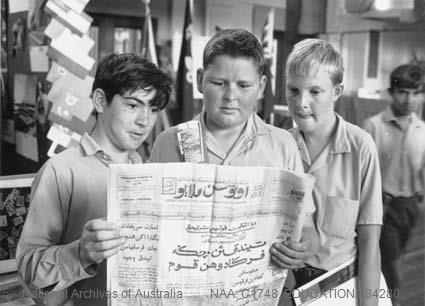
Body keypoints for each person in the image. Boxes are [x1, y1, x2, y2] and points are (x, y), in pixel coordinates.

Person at [149, 28, 318, 300]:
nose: (230, 96)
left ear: (261, 86)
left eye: (243, 85)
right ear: (201, 80)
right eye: (219, 83)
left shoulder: (282, 145)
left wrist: (305, 246)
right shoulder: (169, 142)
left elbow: (306, 227)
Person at [16, 53, 173, 306]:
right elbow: (28, 274)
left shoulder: (148, 170)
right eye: (133, 105)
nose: (145, 121)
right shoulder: (61, 171)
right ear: (100, 101)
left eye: (153, 109)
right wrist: (80, 252)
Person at [271, 39, 383, 306]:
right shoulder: (278, 147)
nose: (301, 103)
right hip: (285, 288)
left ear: (337, 91)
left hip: (340, 288)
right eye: (293, 90)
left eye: (315, 92)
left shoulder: (361, 146)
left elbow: (370, 242)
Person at [363, 64, 425, 306]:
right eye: (404, 92)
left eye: (417, 93)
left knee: (399, 269)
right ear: (392, 92)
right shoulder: (373, 126)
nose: (410, 99)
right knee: (393, 273)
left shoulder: (423, 130)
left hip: (411, 208)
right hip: (383, 209)